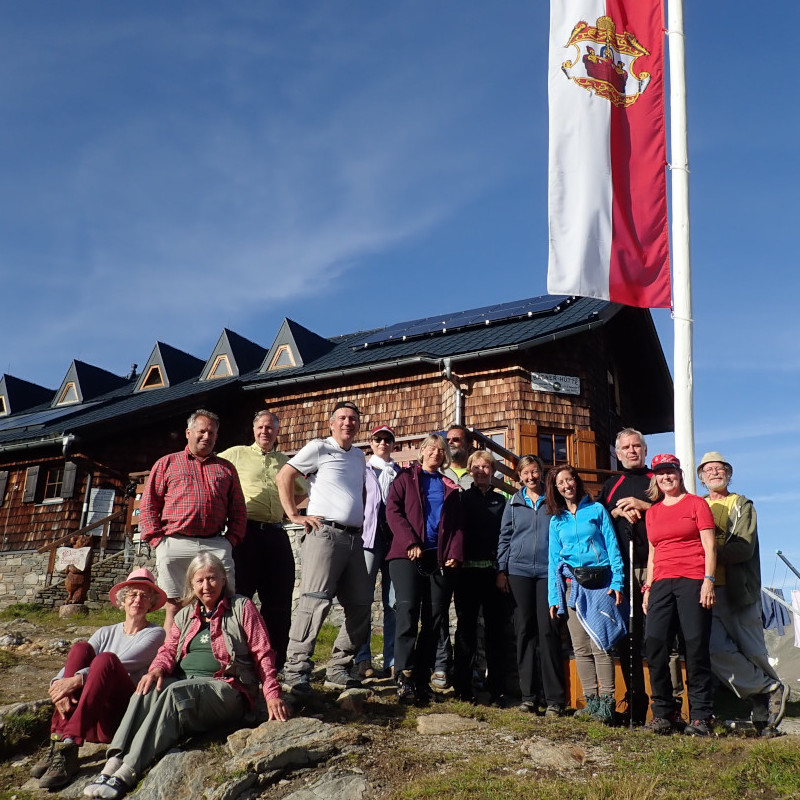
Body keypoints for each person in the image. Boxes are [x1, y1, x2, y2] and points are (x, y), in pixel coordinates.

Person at [83, 553, 287, 800]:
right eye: (199, 580)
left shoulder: (242, 607)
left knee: (172, 693)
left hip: (227, 688)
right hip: (186, 682)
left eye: (212, 579)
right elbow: (168, 650)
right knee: (148, 687)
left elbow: (262, 651)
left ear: (223, 579)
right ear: (192, 584)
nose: (206, 586)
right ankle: (113, 762)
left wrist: (272, 694)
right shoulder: (185, 615)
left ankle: (129, 770)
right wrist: (156, 669)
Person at [30, 570, 166, 790]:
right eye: (132, 595)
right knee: (81, 648)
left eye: (144, 596)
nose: (138, 600)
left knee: (106, 660)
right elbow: (74, 664)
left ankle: (69, 742)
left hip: (118, 715)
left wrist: (75, 681)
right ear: (122, 601)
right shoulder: (105, 632)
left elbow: (121, 663)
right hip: (89, 713)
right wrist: (58, 684)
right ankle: (60, 742)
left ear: (152, 602)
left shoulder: (155, 633)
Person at [276, 400, 371, 694]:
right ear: (331, 424)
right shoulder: (319, 447)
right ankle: (296, 670)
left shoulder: (358, 456)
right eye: (342, 418)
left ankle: (339, 667)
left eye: (353, 419)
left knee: (360, 605)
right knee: (315, 601)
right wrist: (294, 515)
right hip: (324, 534)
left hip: (355, 538)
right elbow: (284, 475)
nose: (348, 423)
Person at [697, 451, 788, 736]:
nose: (714, 473)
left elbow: (743, 547)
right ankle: (766, 689)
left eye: (719, 468)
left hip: (738, 590)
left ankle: (767, 713)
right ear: (701, 477)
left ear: (728, 473)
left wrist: (705, 553)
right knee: (712, 650)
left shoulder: (741, 504)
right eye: (708, 469)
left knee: (753, 650)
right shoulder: (697, 505)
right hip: (705, 590)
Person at [139, 409, 247, 632]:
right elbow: (149, 504)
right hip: (175, 543)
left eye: (212, 433)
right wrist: (158, 541)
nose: (207, 436)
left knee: (223, 603)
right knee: (174, 605)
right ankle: (170, 660)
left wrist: (231, 540)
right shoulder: (166, 463)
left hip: (215, 544)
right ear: (188, 432)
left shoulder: (226, 468)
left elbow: (238, 508)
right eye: (202, 431)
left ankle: (217, 653)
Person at [218, 410, 307, 670]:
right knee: (240, 597)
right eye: (261, 427)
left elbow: (301, 491)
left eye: (270, 427)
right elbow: (211, 474)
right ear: (254, 429)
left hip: (276, 533)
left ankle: (273, 663)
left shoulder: (285, 461)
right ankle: (237, 658)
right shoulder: (235, 454)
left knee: (279, 600)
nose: (265, 431)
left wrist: (286, 509)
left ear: (277, 431)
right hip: (244, 533)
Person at [386, 434, 463, 704]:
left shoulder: (449, 485)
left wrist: (454, 553)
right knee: (407, 613)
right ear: (421, 452)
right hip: (405, 556)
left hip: (438, 559)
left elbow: (456, 525)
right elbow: (393, 512)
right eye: (430, 448)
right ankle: (404, 678)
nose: (435, 453)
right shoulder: (405, 479)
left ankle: (422, 678)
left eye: (440, 450)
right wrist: (410, 541)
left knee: (434, 619)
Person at [643, 453, 716, 736]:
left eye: (669, 471)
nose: (665, 477)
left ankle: (700, 715)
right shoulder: (653, 512)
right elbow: (652, 552)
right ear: (655, 478)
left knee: (695, 645)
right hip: (661, 582)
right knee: (655, 643)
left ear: (679, 473)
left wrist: (708, 581)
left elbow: (710, 546)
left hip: (693, 579)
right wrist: (648, 588)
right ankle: (664, 712)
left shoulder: (697, 504)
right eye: (660, 473)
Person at [547, 465, 625, 725]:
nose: (566, 485)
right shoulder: (556, 520)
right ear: (555, 489)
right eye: (561, 483)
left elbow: (613, 547)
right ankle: (591, 702)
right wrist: (554, 598)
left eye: (570, 480)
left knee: (601, 644)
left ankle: (607, 704)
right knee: (580, 647)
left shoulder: (597, 510)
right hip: (572, 585)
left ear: (577, 482)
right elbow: (553, 561)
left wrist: (618, 581)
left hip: (601, 584)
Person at [497, 455, 565, 715]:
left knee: (548, 631)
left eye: (534, 471)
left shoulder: (554, 500)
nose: (530, 477)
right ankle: (528, 696)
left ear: (541, 472)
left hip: (549, 573)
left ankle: (555, 700)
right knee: (524, 631)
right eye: (525, 473)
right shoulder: (513, 503)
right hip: (519, 572)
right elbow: (504, 538)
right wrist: (501, 570)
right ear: (519, 476)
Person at [597, 428, 653, 724]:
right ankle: (634, 700)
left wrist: (645, 506)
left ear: (645, 449)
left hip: (653, 566)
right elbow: (598, 518)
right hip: (620, 568)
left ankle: (664, 706)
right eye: (626, 448)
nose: (632, 451)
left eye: (637, 446)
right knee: (625, 636)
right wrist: (617, 513)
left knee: (655, 635)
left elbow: (673, 509)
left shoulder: (657, 480)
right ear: (617, 454)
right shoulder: (611, 484)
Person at [452, 450, 509, 703]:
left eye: (486, 467)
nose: (481, 471)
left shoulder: (501, 501)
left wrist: (501, 570)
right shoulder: (462, 499)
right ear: (470, 470)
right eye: (476, 467)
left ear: (493, 471)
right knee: (466, 630)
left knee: (496, 632)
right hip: (466, 574)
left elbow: (506, 538)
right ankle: (462, 686)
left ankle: (496, 687)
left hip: (492, 574)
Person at [356, 424, 401, 679]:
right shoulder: (363, 470)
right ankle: (363, 658)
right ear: (371, 444)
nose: (383, 443)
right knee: (363, 599)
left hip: (394, 542)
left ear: (393, 444)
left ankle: (393, 659)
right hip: (369, 540)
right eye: (378, 439)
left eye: (387, 439)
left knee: (393, 602)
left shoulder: (400, 473)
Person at [442, 424, 474, 490]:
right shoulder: (438, 472)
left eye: (456, 439)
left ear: (468, 446)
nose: (450, 442)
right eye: (447, 440)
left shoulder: (477, 474)